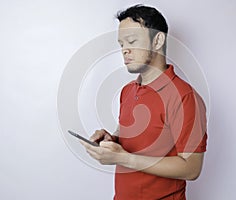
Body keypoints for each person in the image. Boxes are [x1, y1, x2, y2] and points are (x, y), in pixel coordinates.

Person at [81, 4, 208, 200]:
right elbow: (127, 137)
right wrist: (110, 141)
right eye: (121, 44)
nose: (125, 50)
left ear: (157, 40)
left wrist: (123, 158)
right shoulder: (128, 91)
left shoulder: (184, 97)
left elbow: (191, 168)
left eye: (132, 41)